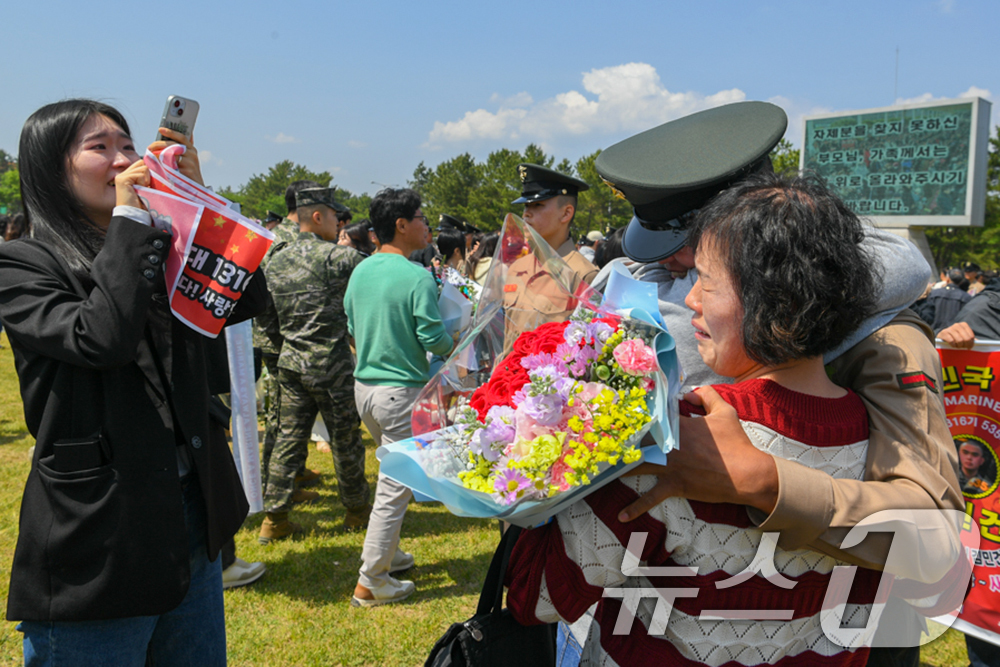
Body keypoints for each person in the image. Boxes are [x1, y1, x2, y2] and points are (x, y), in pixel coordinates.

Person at [594, 101, 962, 667]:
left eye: (694, 254)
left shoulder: (884, 338)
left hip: (847, 632)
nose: (676, 275)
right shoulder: (674, 309)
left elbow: (934, 543)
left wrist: (767, 483)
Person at [507, 171, 883, 666]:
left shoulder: (683, 443)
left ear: (781, 303)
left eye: (706, 281)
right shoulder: (879, 440)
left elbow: (538, 596)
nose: (688, 301)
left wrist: (543, 460)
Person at [0, 99, 266, 664]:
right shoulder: (23, 262)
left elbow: (242, 300)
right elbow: (99, 339)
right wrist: (128, 221)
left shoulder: (162, 242)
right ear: (51, 168)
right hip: (102, 530)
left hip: (190, 506)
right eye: (99, 148)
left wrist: (199, 201)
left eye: (127, 144)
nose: (124, 161)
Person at [345, 188, 454, 607]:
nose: (428, 226)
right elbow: (432, 337)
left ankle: (388, 552)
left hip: (366, 390)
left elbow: (353, 326)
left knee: (396, 479)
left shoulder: (360, 271)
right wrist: (458, 341)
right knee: (394, 486)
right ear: (402, 225)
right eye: (422, 218)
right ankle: (371, 579)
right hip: (400, 394)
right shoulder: (415, 277)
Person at [256, 187, 371, 542]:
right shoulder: (338, 259)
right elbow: (373, 279)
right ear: (317, 216)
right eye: (335, 216)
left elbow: (267, 317)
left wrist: (288, 345)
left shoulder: (274, 259)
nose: (340, 224)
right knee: (345, 440)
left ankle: (274, 519)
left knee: (289, 439)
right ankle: (356, 512)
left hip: (290, 364)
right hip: (331, 366)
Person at [252, 179, 324, 493]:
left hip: (279, 336)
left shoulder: (273, 235)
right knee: (284, 415)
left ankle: (291, 472)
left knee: (291, 412)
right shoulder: (288, 240)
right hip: (283, 339)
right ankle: (275, 484)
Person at [503, 164, 599, 351]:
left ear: (566, 213)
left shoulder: (583, 274)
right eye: (525, 205)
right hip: (505, 377)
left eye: (537, 205)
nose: (526, 213)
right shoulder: (517, 268)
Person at [916, 267, 972, 332]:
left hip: (933, 333)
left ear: (947, 279)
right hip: (954, 334)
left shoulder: (934, 293)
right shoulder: (966, 297)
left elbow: (927, 315)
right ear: (962, 281)